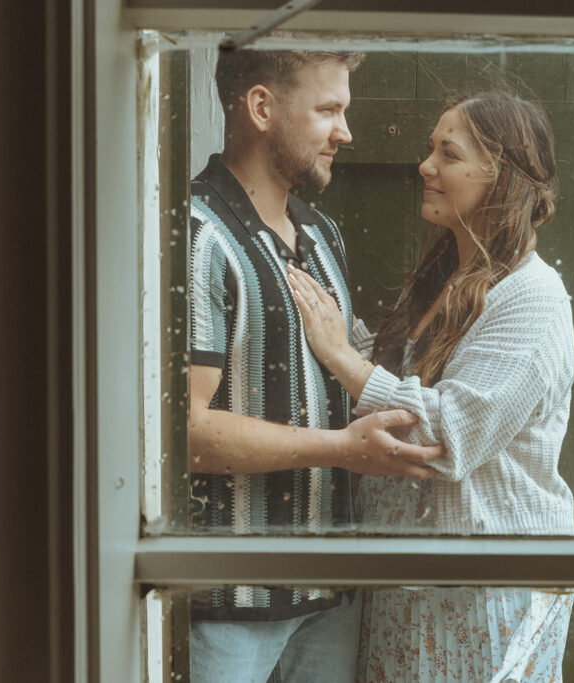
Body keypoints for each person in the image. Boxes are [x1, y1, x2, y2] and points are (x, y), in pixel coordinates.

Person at [288, 91, 574, 682]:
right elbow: (393, 376)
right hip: (414, 589)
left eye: (448, 153)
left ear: (502, 178)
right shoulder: (447, 278)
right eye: (430, 149)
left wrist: (342, 356)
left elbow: (446, 432)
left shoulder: (534, 299)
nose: (426, 166)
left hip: (493, 595)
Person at [186, 47, 442, 683]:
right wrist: (340, 447)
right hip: (229, 604)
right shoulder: (196, 237)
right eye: (328, 110)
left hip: (329, 597)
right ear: (262, 108)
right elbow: (180, 433)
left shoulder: (323, 236)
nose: (345, 132)